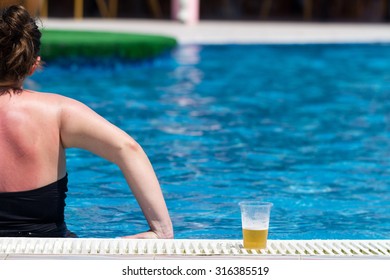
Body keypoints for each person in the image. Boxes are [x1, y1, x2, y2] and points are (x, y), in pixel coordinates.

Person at [0, 5, 174, 239]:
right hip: (53, 255)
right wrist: (161, 231)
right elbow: (128, 148)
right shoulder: (58, 111)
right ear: (33, 66)